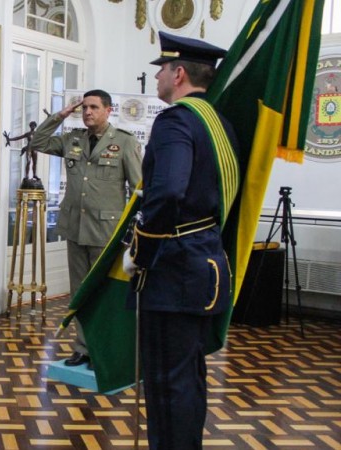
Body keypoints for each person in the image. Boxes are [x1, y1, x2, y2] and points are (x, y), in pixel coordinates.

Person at [123, 32, 238, 450]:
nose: (157, 79)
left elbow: (168, 192)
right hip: (206, 266)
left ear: (180, 74)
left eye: (162, 71)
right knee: (187, 381)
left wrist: (142, 253)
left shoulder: (176, 120)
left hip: (173, 272)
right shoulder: (219, 123)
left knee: (166, 385)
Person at [30, 89, 141, 369]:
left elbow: (138, 189)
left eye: (93, 107)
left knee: (103, 293)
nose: (88, 112)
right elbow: (38, 141)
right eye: (84, 108)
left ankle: (103, 350)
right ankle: (83, 348)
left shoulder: (124, 143)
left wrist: (130, 231)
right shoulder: (73, 139)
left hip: (107, 232)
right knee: (79, 291)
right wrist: (60, 115)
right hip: (75, 228)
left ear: (108, 110)